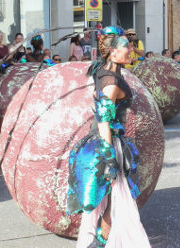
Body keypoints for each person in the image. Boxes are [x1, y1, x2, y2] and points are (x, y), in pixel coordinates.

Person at [66, 26, 150, 248]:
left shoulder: (101, 69)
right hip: (108, 142)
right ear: (113, 52)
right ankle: (101, 243)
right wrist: (110, 157)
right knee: (117, 200)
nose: (131, 49)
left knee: (115, 198)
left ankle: (99, 241)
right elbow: (104, 120)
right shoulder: (111, 83)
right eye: (126, 46)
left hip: (101, 139)